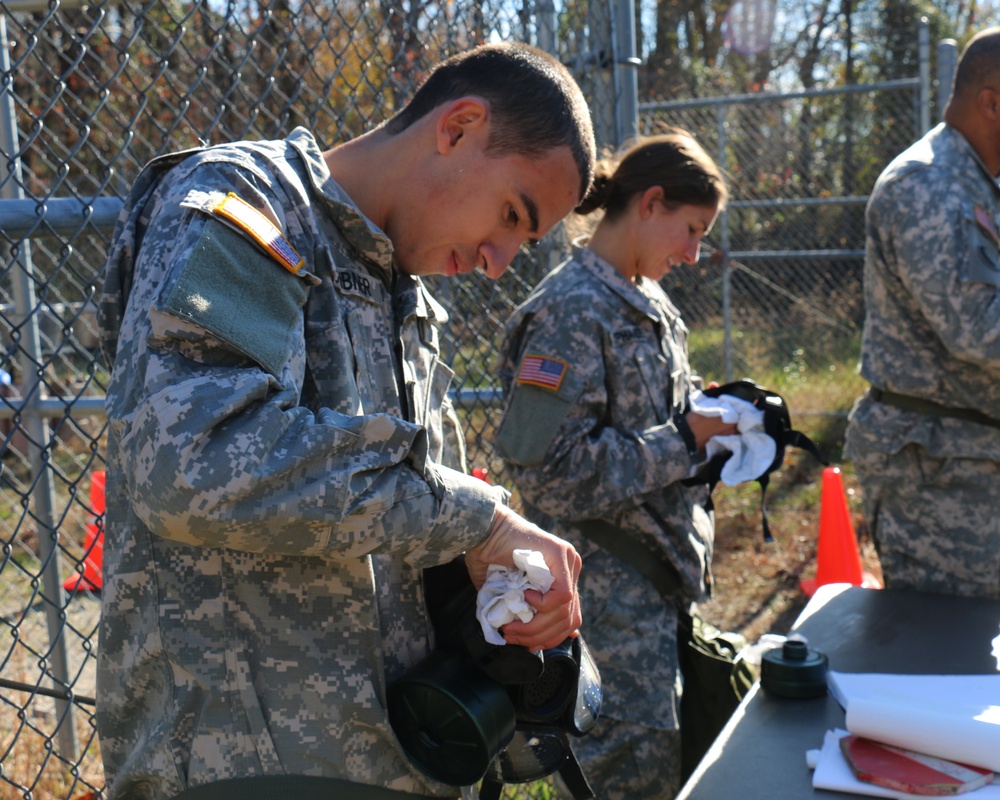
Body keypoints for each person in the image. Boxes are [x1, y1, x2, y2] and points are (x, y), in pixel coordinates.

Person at [95, 42, 595, 800]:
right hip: (247, 767)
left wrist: (494, 584)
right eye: (511, 215)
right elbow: (189, 460)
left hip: (389, 757)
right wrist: (477, 523)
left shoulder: (404, 288)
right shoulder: (250, 204)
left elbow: (406, 512)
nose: (499, 260)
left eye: (522, 244)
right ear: (457, 128)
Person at [492, 131, 736, 800]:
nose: (692, 253)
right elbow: (546, 472)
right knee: (627, 774)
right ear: (651, 203)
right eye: (690, 231)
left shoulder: (649, 302)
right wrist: (683, 440)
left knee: (666, 768)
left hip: (657, 588)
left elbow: (652, 421)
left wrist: (712, 426)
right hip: (606, 596)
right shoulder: (569, 311)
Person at [843, 26, 1000, 599]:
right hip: (939, 475)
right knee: (951, 663)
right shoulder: (931, 185)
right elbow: (979, 329)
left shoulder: (975, 186)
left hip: (966, 459)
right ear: (992, 102)